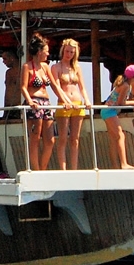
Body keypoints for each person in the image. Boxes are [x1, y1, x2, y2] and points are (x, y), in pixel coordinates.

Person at [20, 33, 71, 171]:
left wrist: (65, 100)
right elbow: (23, 87)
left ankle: (42, 168)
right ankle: (35, 170)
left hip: (46, 102)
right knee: (35, 137)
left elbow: (55, 86)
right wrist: (30, 101)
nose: (48, 54)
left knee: (50, 140)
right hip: (34, 102)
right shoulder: (27, 67)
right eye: (46, 51)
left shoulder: (46, 67)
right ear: (39, 51)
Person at [51, 39, 90, 170]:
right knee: (63, 138)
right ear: (63, 51)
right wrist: (66, 101)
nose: (69, 54)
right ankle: (63, 168)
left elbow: (82, 87)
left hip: (77, 103)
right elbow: (56, 86)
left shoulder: (77, 67)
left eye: (72, 52)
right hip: (64, 103)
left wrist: (87, 100)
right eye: (67, 51)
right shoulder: (56, 67)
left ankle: (74, 168)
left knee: (75, 138)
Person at [99, 65, 134, 169]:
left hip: (106, 111)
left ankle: (115, 165)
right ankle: (123, 164)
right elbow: (120, 102)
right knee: (120, 136)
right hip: (110, 111)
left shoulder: (124, 84)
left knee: (114, 139)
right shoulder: (126, 86)